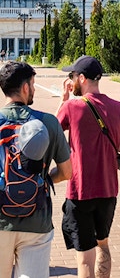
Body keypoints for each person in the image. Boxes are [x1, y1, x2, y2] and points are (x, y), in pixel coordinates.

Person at [56, 55, 120, 278]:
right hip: (108, 191)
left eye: (72, 76)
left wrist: (63, 99)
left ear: (81, 78)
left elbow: (50, 133)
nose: (71, 80)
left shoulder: (72, 107)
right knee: (103, 245)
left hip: (80, 191)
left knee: (84, 259)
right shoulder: (119, 108)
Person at [0, 60, 72, 278]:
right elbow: (67, 172)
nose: (33, 89)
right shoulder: (49, 123)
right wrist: (46, 178)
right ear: (25, 88)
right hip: (36, 219)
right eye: (32, 84)